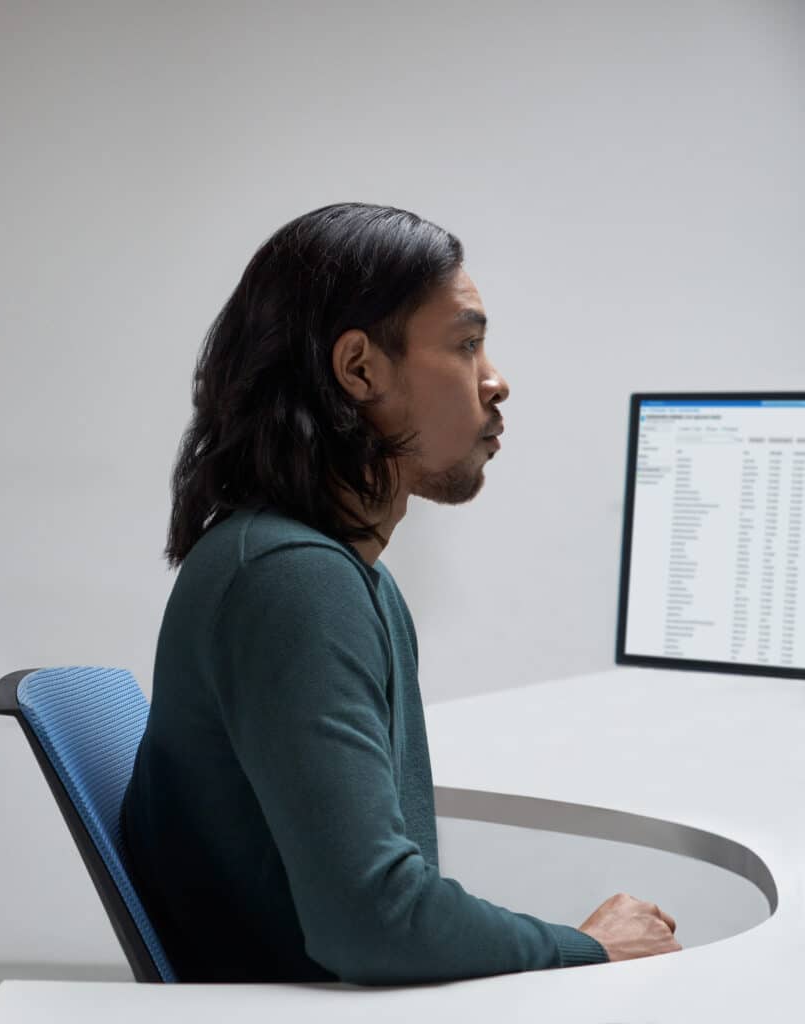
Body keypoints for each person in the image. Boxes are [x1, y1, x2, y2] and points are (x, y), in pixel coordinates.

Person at [121, 202, 682, 985]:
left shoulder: (328, 571)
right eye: (465, 344)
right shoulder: (292, 580)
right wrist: (585, 947)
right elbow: (375, 923)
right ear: (358, 370)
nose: (496, 380)